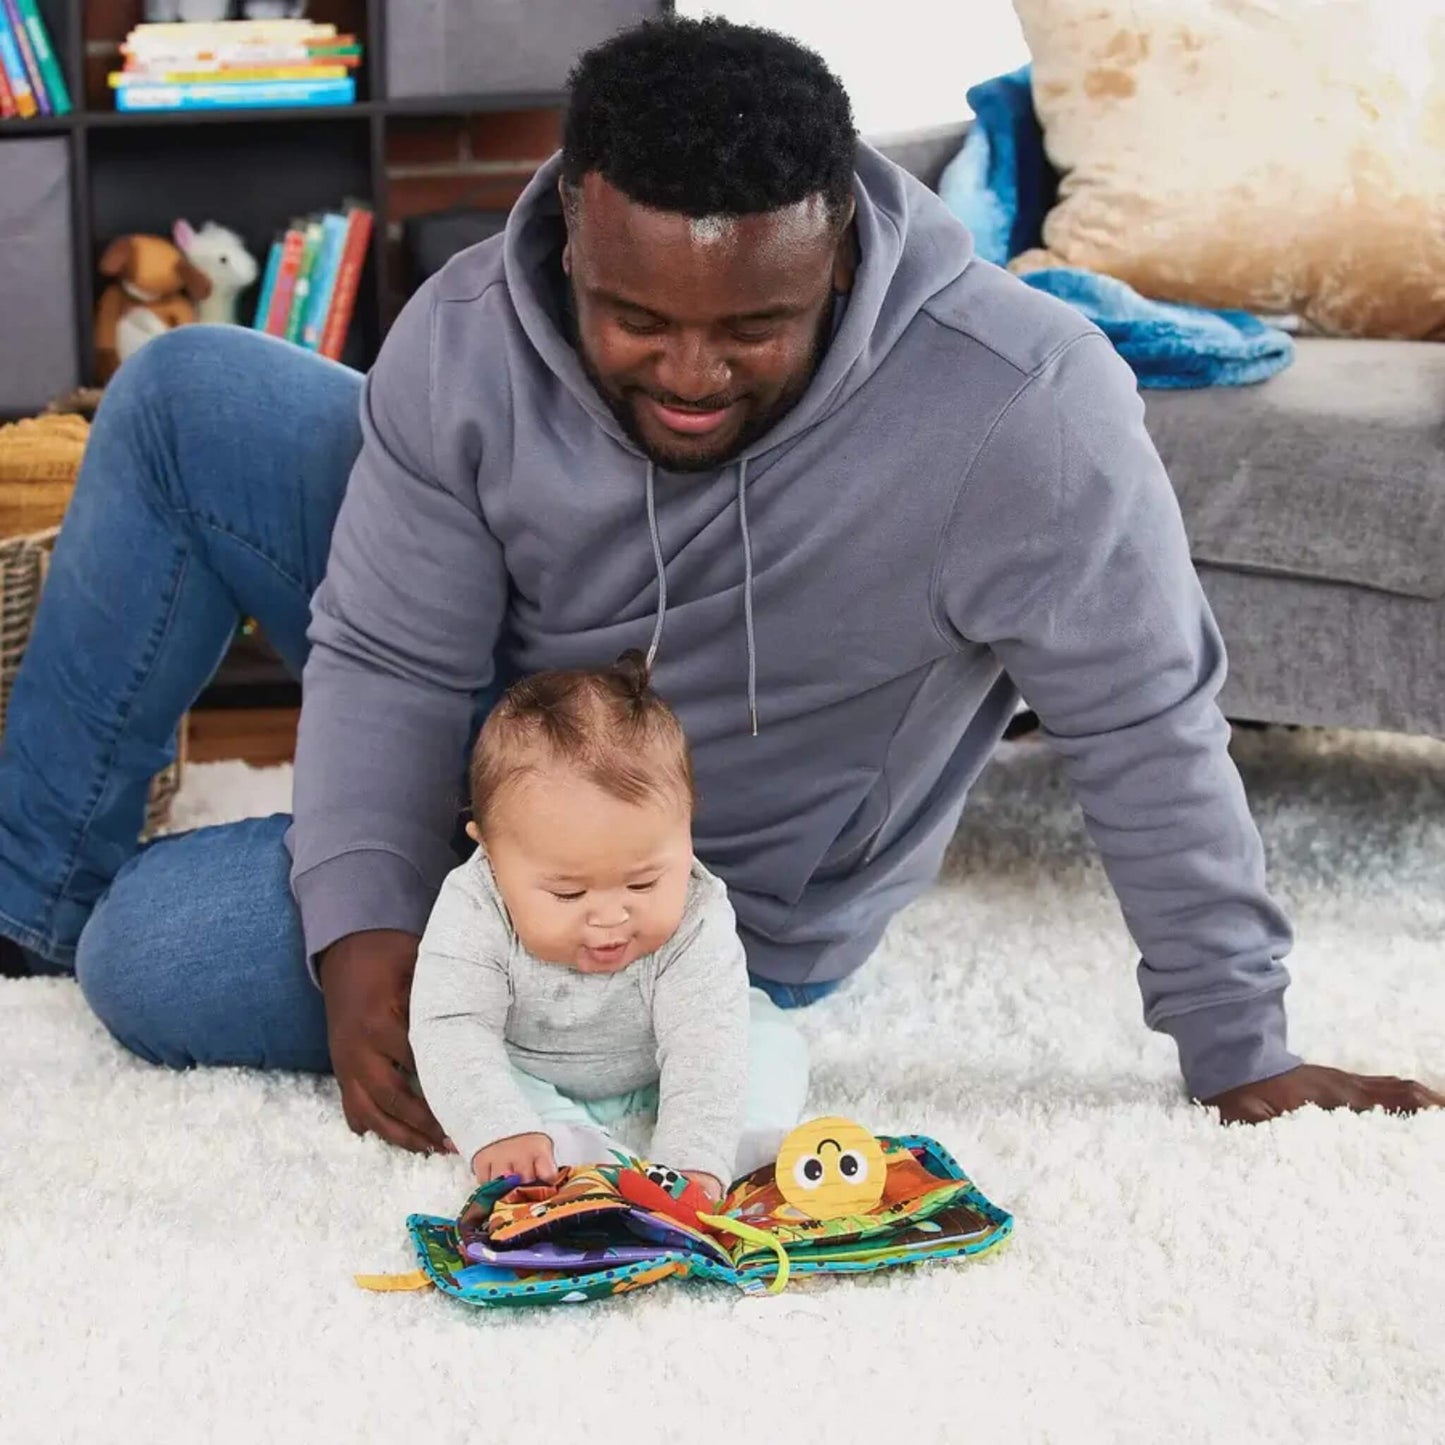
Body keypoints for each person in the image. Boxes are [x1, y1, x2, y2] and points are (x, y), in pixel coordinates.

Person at [0, 17, 1437, 1143]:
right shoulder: (468, 333)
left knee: (158, 956)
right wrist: (368, 925)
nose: (691, 376)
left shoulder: (1023, 407)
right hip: (503, 714)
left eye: (756, 327)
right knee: (188, 389)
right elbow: (393, 655)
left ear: (840, 255)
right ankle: (28, 910)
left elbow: (1148, 726)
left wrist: (1241, 1048)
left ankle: (121, 927)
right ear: (570, 232)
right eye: (635, 318)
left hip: (679, 888)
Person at [410, 650, 808, 1198]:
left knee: (762, 1034)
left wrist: (692, 1161)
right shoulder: (474, 906)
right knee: (469, 1070)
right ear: (491, 858)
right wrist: (497, 1126)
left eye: (643, 883)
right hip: (534, 1063)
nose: (611, 916)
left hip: (662, 1063)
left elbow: (703, 1043)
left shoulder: (697, 911)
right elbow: (451, 1025)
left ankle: (743, 1143)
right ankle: (568, 1149)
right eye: (568, 892)